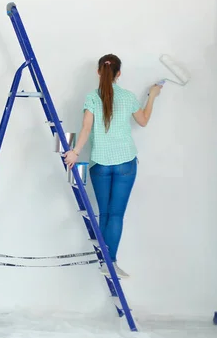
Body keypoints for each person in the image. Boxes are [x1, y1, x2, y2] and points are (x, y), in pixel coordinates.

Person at [63, 54, 162, 278]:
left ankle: (107, 262)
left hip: (101, 165)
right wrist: (153, 96)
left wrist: (75, 152)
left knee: (105, 214)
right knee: (116, 215)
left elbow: (86, 128)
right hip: (126, 162)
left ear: (99, 72)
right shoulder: (127, 97)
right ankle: (111, 262)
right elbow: (143, 121)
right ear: (119, 74)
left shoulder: (91, 97)